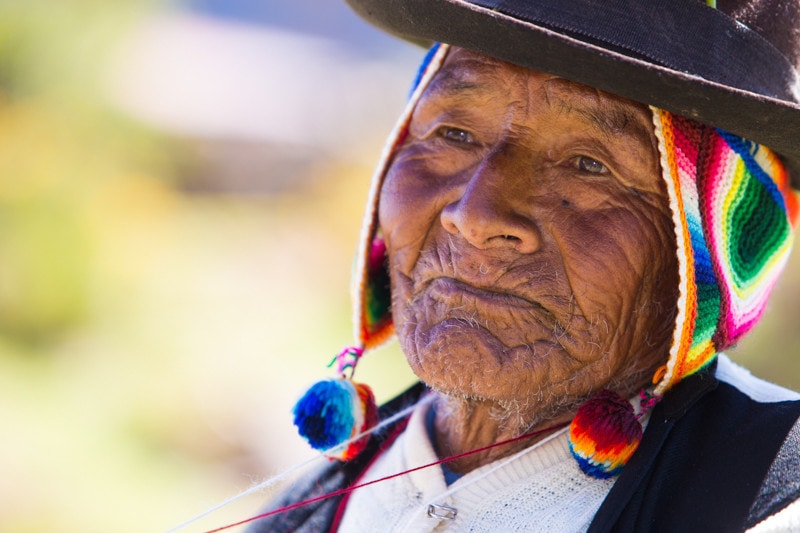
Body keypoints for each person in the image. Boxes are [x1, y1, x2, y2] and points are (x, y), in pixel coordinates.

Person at [251, 1, 800, 531]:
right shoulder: (312, 508)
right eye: (455, 133)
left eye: (589, 166)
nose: (476, 216)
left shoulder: (774, 499)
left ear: (716, 258)